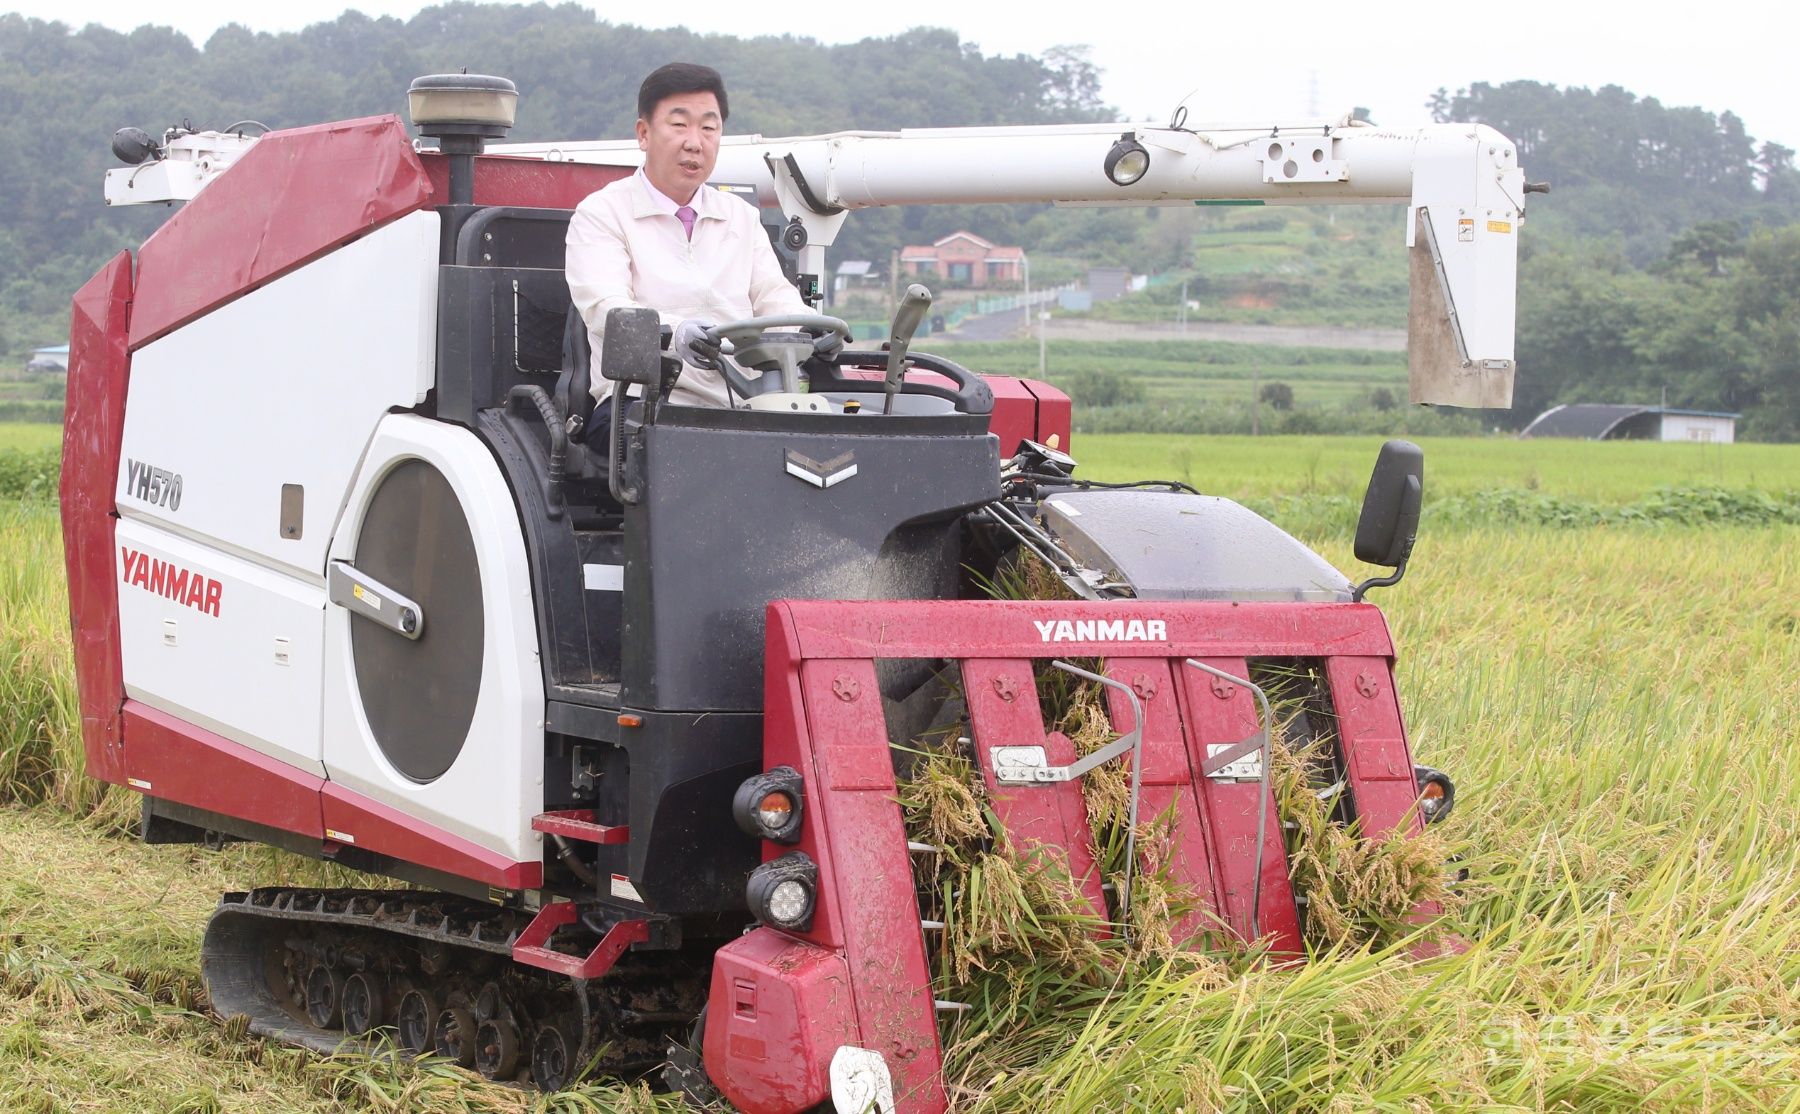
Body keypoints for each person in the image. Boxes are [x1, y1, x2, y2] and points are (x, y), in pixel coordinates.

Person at [565, 63, 840, 412]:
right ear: (643, 133)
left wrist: (810, 330)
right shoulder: (601, 214)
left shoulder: (741, 216)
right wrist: (678, 334)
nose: (694, 143)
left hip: (744, 403)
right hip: (643, 404)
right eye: (679, 125)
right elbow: (608, 309)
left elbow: (774, 297)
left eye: (709, 128)